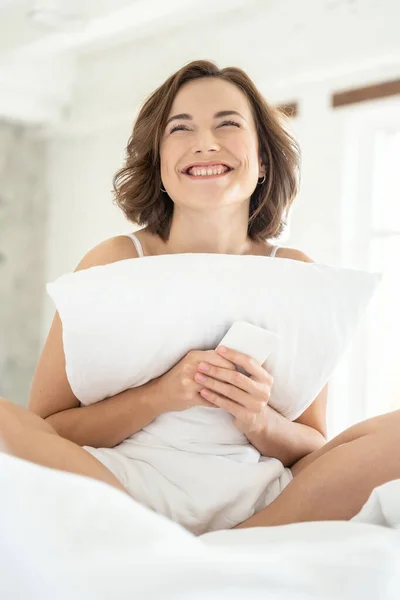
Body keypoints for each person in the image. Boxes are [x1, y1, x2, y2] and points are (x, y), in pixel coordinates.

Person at [1, 60, 399, 531]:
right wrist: (163, 395)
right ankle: (157, 540)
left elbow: (313, 445)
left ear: (263, 159)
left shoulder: (293, 271)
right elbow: (47, 428)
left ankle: (239, 544)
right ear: (159, 161)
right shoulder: (113, 261)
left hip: (262, 501)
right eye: (180, 128)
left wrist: (258, 419)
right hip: (123, 490)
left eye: (228, 124)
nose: (205, 143)